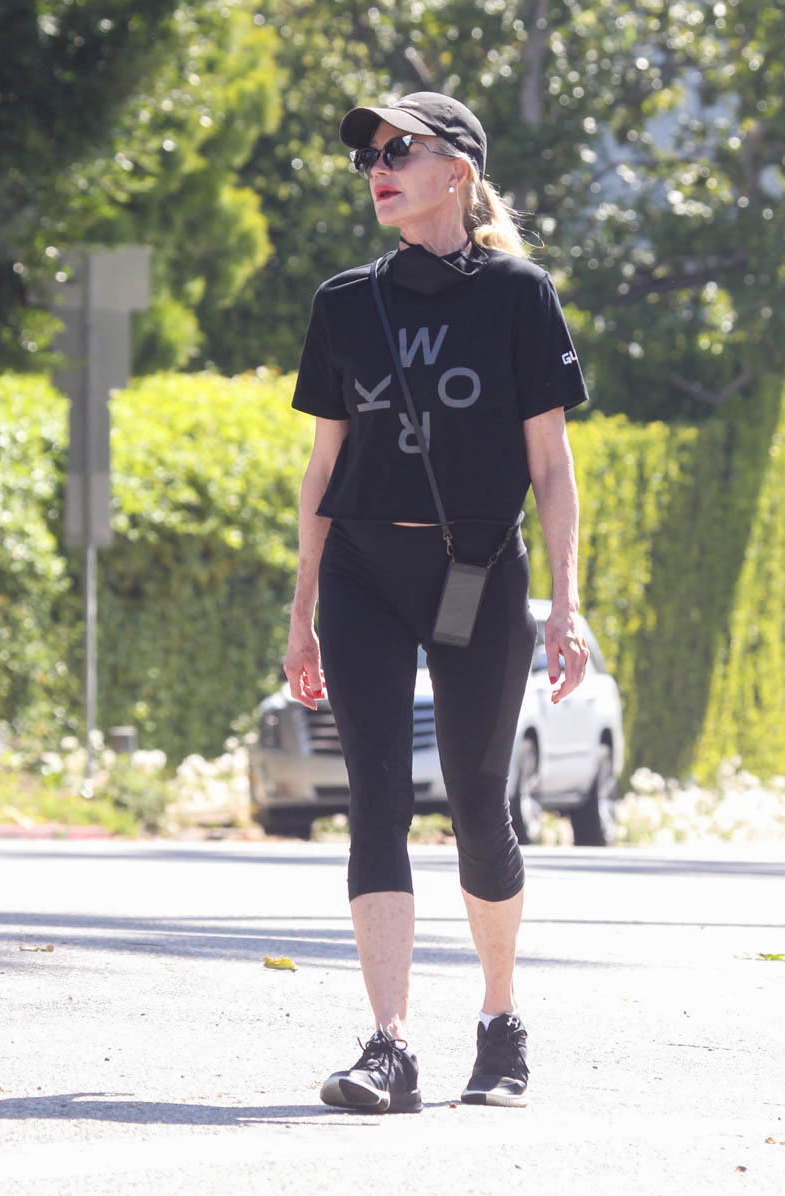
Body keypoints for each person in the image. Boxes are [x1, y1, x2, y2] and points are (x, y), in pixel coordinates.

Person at [284, 91, 589, 1114]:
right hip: (363, 574)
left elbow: (551, 467)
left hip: (479, 570)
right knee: (373, 797)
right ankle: (389, 1045)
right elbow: (322, 469)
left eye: (398, 150)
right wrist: (300, 612)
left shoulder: (518, 295)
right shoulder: (342, 304)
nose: (378, 168)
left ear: (457, 171)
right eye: (369, 156)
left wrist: (567, 604)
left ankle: (500, 1021)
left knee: (477, 802)